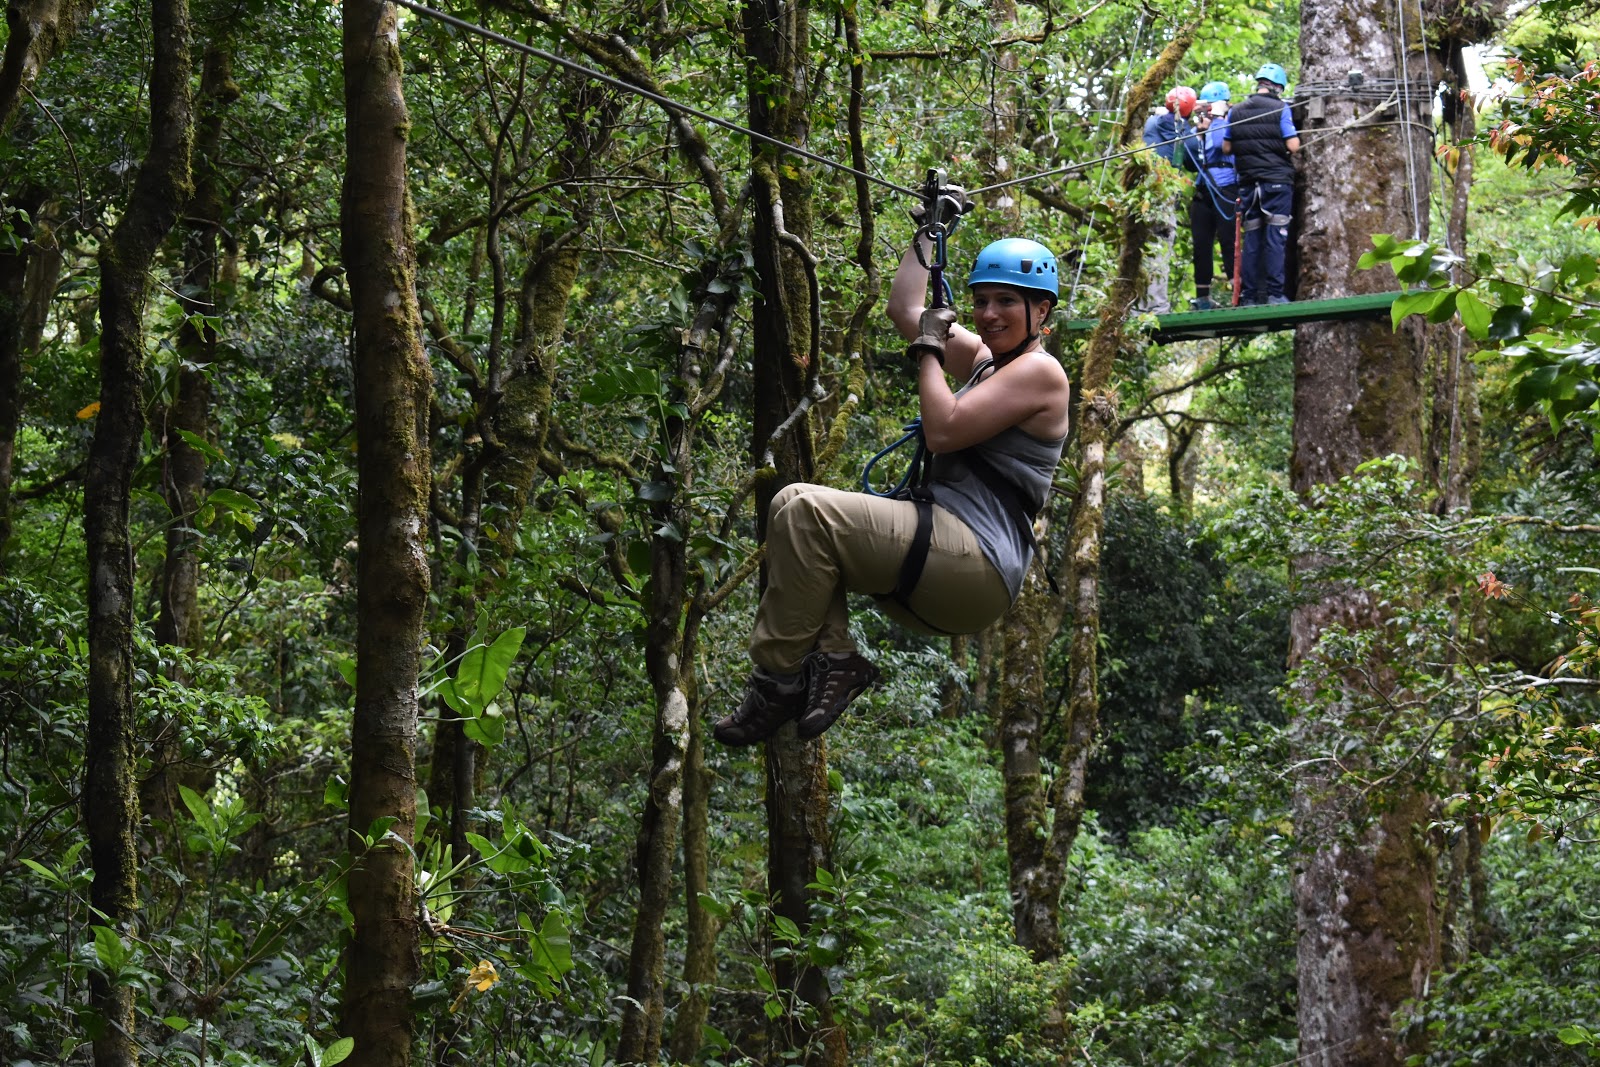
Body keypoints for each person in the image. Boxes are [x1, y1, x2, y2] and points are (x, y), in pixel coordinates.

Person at [712, 236, 1072, 746]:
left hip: (976, 564)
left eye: (1007, 301)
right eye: (981, 300)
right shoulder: (989, 363)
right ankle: (834, 660)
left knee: (808, 512)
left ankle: (776, 683)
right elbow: (905, 309)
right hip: (943, 557)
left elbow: (943, 428)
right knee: (792, 506)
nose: (989, 313)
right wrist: (928, 232)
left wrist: (929, 348)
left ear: (1041, 310)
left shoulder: (1041, 372)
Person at [1216, 63, 1300, 306]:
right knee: (1276, 236)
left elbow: (1226, 147)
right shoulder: (1280, 108)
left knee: (1252, 239)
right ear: (1276, 88)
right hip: (1275, 183)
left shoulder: (1236, 111)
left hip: (1248, 183)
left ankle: (1250, 296)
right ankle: (1275, 294)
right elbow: (1293, 146)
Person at [1137, 86, 1199, 314]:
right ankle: (1157, 306)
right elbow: (1194, 162)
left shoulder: (1151, 122)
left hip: (1141, 193)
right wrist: (1195, 128)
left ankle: (1138, 305)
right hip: (1162, 195)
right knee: (1161, 245)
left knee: (1141, 247)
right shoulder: (1182, 129)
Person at [1182, 81, 1239, 310]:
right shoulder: (1203, 131)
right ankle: (1202, 296)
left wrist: (1214, 121)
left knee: (1228, 241)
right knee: (1201, 243)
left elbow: (1219, 144)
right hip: (1204, 189)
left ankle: (1238, 293)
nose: (1202, 114)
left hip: (1226, 188)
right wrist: (1195, 133)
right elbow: (1190, 160)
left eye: (1207, 109)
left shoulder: (1229, 122)